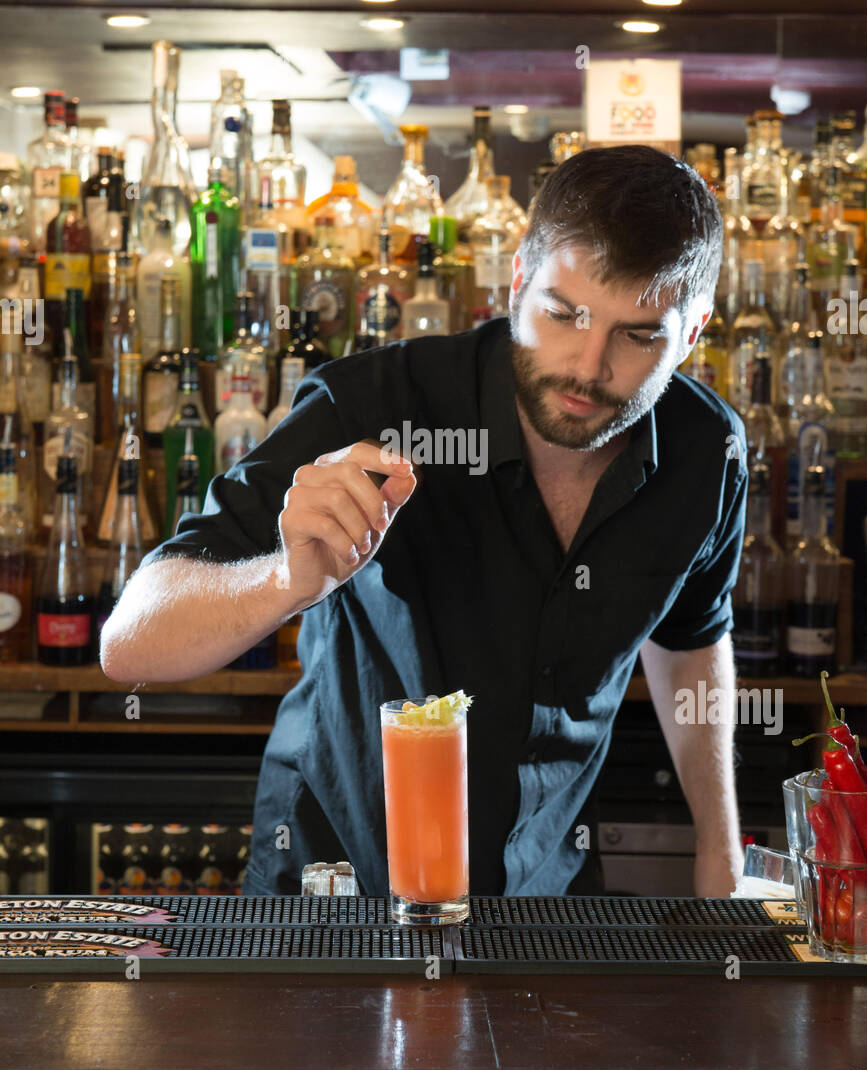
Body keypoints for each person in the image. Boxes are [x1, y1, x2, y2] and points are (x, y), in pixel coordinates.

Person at [101, 145, 747, 899]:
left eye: (637, 335)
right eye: (562, 313)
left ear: (693, 332)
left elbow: (691, 640)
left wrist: (719, 852)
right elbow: (130, 644)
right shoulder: (373, 404)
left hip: (544, 896)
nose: (585, 364)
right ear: (516, 281)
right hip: (337, 892)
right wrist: (282, 579)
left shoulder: (709, 451)